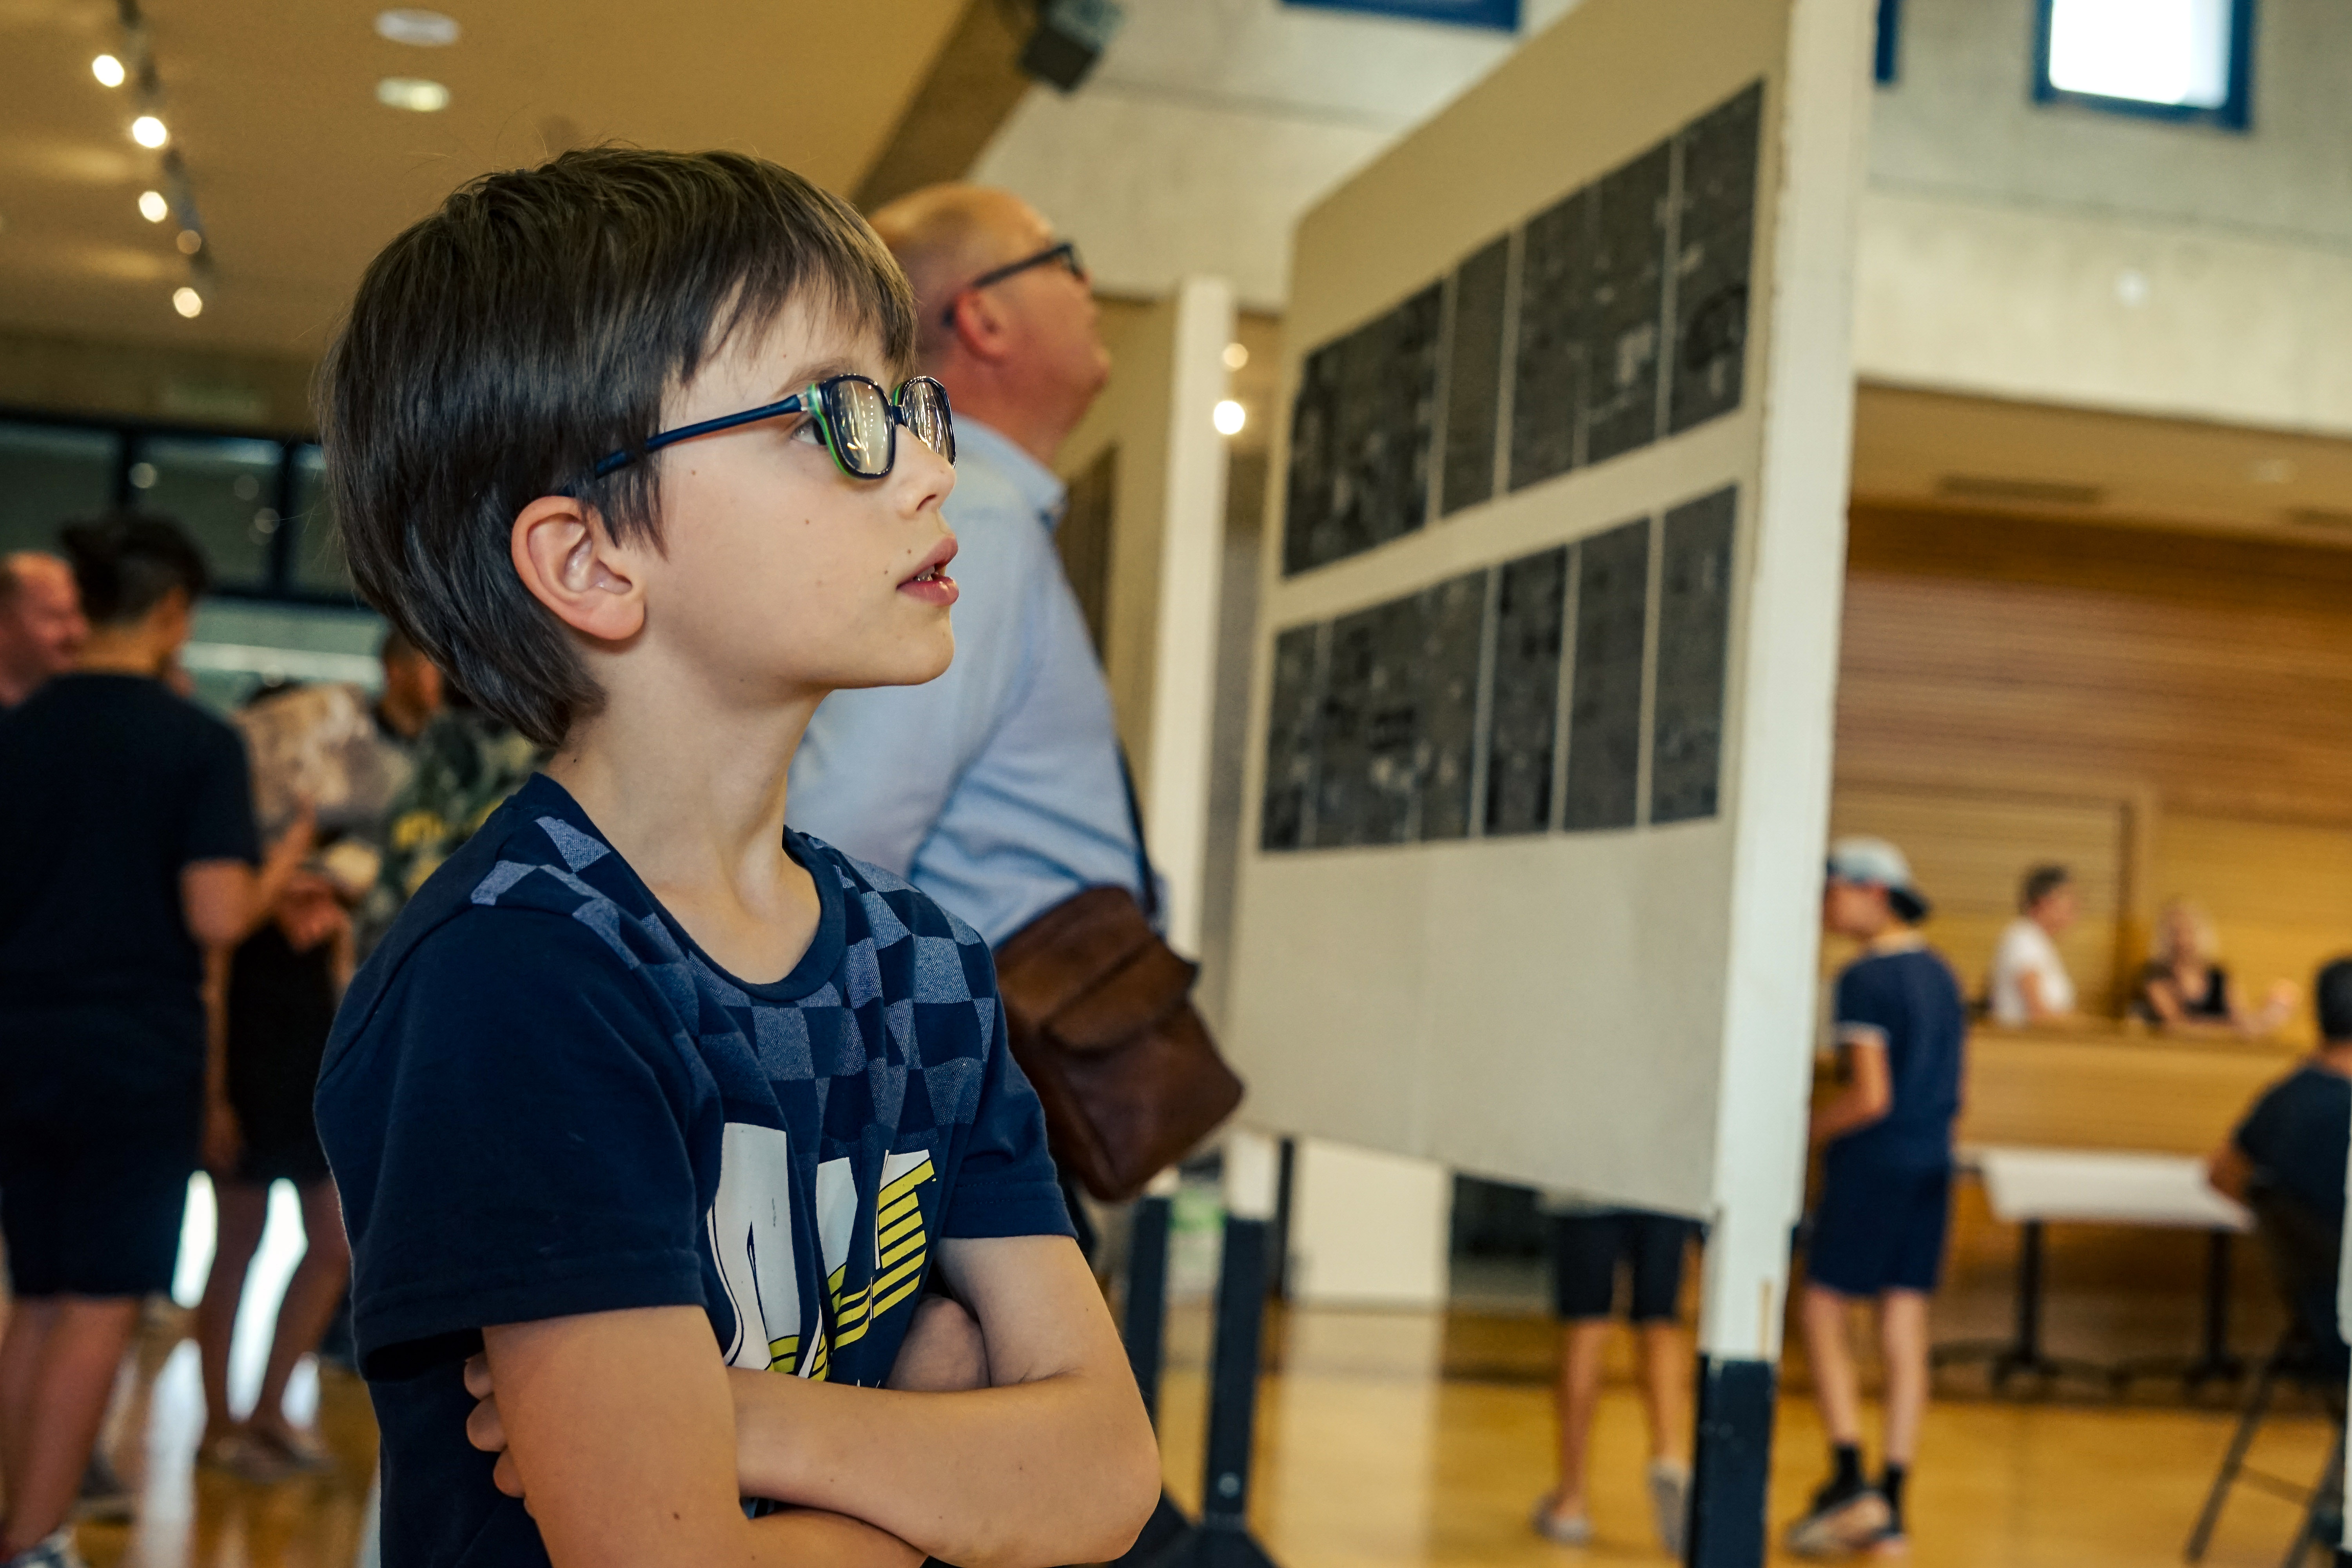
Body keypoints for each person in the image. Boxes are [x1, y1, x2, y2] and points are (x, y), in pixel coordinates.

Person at [310, 148, 1158, 1568]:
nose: (932, 468)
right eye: (837, 417)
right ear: (591, 562)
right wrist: (945, 1482)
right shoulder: (518, 979)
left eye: (909, 408)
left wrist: (743, 1419)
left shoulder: (920, 963)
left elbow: (1104, 1470)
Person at [785, 186, 1136, 1254]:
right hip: (968, 1067)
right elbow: (851, 820)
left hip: (980, 1050)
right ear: (983, 316)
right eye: (1061, 257)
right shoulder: (970, 513)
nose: (1088, 285)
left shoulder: (986, 511)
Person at [0, 513, 310, 1568]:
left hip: (19, 1041)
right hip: (132, 1053)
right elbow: (217, 913)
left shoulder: (19, 730)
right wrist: (285, 860)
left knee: (37, 1296)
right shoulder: (196, 743)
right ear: (174, 612)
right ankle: (37, 1538)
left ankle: (19, 1524)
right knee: (98, 1303)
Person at [192, 682, 363, 1481]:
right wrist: (213, 1093)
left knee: (333, 1241)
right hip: (251, 1065)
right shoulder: (234, 844)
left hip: (312, 1067)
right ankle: (218, 1422)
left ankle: (268, 1408)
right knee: (239, 1239)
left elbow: (341, 972)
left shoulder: (331, 844)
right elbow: (215, 973)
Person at [1787, 838, 1966, 1560]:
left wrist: (1802, 1131)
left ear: (1874, 893)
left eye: (1832, 888)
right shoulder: (1943, 973)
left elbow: (1869, 1096)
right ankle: (1892, 1502)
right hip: (1934, 1162)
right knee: (1904, 1320)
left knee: (1821, 1308)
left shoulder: (1863, 979)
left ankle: (1849, 1477)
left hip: (1875, 1164)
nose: (1824, 904)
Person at [1529, 1200, 1696, 1555]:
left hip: (1590, 1192)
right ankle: (1669, 1455)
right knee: (1660, 1323)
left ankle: (1571, 1500)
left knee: (1587, 1326)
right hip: (1663, 1191)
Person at [2207, 957, 2352, 1343]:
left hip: (2317, 1305)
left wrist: (2289, 1237)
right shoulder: (2343, 1108)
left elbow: (2221, 1174)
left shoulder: (2286, 1097)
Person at [2135, 898, 2296, 1038]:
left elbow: (2240, 1017)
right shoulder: (2156, 975)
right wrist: (2233, 1029)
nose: (2183, 940)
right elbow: (2175, 1025)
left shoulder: (2218, 975)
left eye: (2189, 931)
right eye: (2176, 932)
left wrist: (2268, 1015)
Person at [1987, 864, 2078, 1026]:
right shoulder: (2022, 939)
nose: (2074, 906)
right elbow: (2038, 1013)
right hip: (2025, 1039)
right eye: (2068, 898)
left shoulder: (2039, 941)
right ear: (2045, 902)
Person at [0, 552, 89, 709]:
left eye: (76, 614)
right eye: (56, 616)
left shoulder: (81, 708)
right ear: (5, 622)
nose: (78, 632)